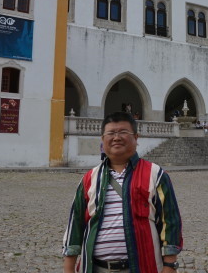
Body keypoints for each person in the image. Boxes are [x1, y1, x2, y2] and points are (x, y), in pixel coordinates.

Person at [63, 112, 183, 273]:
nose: (117, 137)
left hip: (142, 267)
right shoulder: (89, 179)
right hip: (95, 268)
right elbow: (75, 224)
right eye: (111, 133)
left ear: (136, 137)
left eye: (123, 132)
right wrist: (69, 268)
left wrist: (170, 266)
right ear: (102, 139)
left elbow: (170, 222)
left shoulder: (156, 174)